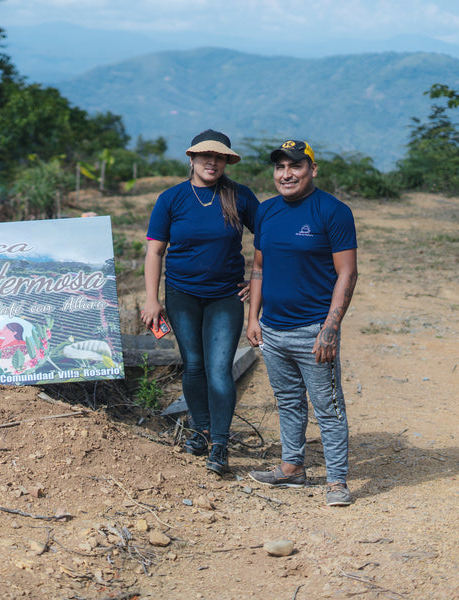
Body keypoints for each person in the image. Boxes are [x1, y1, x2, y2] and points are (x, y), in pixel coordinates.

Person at [245, 140, 358, 506]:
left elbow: (347, 274)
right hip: (274, 330)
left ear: (312, 169)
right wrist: (253, 318)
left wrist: (330, 328)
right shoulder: (266, 211)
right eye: (280, 167)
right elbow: (259, 267)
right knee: (289, 401)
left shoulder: (333, 211)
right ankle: (292, 468)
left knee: (329, 407)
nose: (286, 174)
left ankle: (337, 481)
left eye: (295, 166)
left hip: (313, 332)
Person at [142, 129, 259, 475]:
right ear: (192, 158)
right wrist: (151, 299)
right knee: (193, 364)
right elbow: (155, 251)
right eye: (206, 155)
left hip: (226, 296)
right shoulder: (171, 199)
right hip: (181, 294)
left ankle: (220, 443)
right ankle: (200, 431)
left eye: (220, 157)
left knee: (220, 368)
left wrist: (257, 279)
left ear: (227, 161)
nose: (213, 162)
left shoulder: (240, 197)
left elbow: (268, 239)